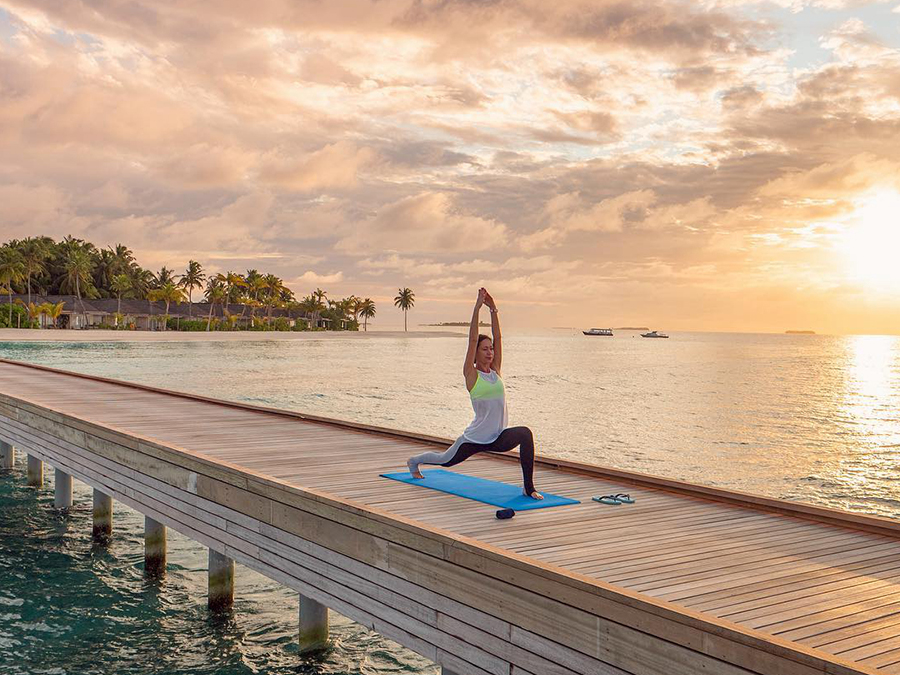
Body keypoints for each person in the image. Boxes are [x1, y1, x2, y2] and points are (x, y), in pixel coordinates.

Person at [406, 288, 542, 499]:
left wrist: (493, 308)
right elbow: (471, 340)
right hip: (475, 438)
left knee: (525, 434)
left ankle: (528, 488)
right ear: (476, 353)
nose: (490, 352)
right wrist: (477, 307)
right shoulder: (471, 374)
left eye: (491, 349)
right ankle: (414, 461)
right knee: (445, 460)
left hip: (497, 437)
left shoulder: (495, 371)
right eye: (485, 349)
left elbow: (498, 337)